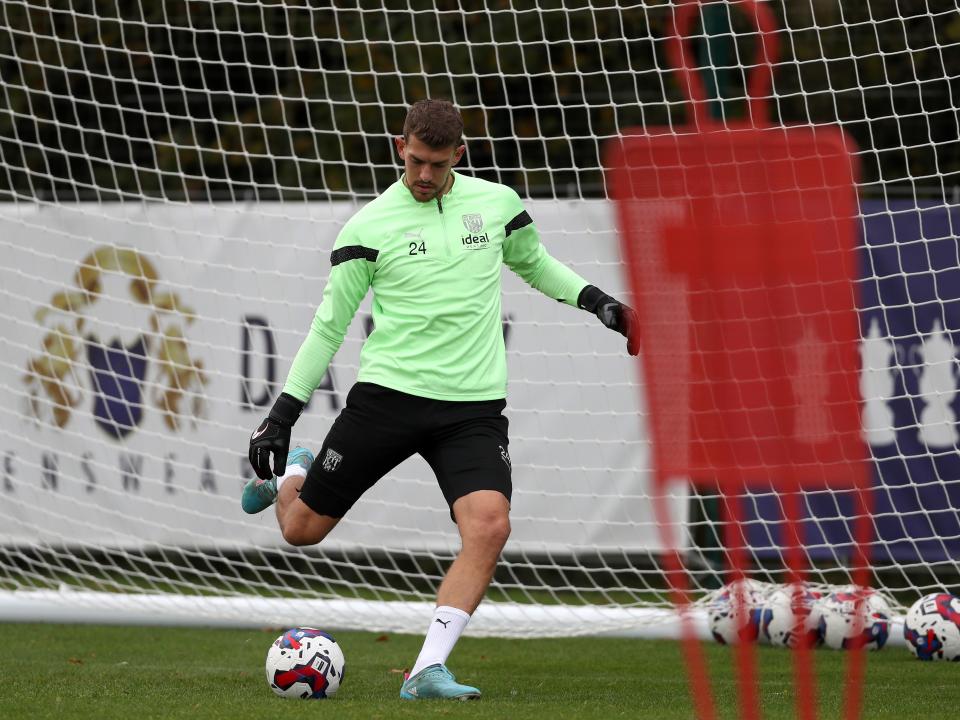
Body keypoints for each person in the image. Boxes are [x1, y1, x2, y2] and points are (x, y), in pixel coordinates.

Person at [243, 98, 639, 701]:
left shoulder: (497, 206)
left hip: (472, 410)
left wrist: (600, 303)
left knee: (489, 525)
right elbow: (329, 327)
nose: (423, 175)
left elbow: (537, 267)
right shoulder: (367, 228)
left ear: (460, 154)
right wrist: (281, 416)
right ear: (399, 147)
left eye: (436, 163)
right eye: (415, 160)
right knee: (301, 530)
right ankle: (294, 471)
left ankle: (427, 670)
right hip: (387, 400)